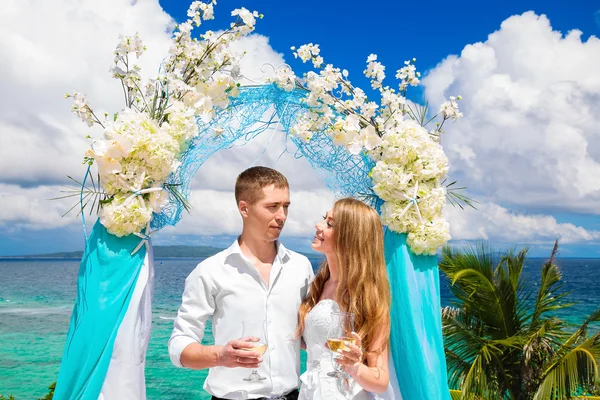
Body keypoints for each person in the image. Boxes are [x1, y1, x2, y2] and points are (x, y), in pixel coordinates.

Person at [168, 166, 314, 400]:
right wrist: (220, 356)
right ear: (244, 208)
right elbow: (179, 345)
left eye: (286, 206)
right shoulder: (210, 271)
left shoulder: (301, 267)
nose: (282, 216)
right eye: (272, 206)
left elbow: (308, 336)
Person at [297, 198, 392, 400]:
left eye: (330, 224)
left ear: (349, 238)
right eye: (324, 219)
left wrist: (355, 367)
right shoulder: (318, 285)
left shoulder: (367, 298)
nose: (318, 225)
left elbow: (381, 381)